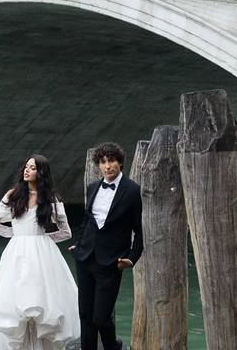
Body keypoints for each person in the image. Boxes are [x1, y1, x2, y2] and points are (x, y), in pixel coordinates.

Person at [0, 155, 80, 349]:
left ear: (41, 172)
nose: (27, 170)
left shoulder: (51, 199)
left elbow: (66, 232)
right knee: (16, 300)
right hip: (17, 253)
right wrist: (18, 236)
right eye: (26, 167)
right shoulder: (13, 195)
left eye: (33, 168)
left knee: (41, 301)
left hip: (42, 255)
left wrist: (42, 239)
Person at [71, 142, 143, 350]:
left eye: (111, 161)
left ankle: (112, 346)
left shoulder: (132, 190)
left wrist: (132, 258)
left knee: (101, 316)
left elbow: (139, 229)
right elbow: (87, 220)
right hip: (85, 257)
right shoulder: (93, 187)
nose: (107, 166)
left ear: (119, 162)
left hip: (111, 261)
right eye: (103, 162)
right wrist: (78, 243)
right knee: (85, 314)